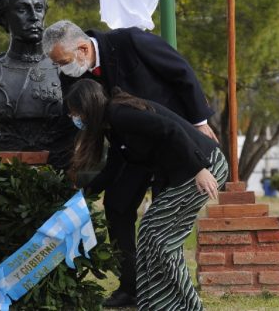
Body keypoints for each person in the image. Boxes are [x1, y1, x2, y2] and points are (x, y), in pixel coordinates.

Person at [42, 20, 217, 307]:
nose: (62, 70)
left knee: (160, 225)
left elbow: (180, 71)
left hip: (171, 141)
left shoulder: (131, 41)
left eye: (63, 62)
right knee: (117, 204)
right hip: (129, 149)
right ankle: (131, 286)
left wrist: (199, 123)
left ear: (83, 48)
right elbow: (73, 115)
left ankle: (167, 293)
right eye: (57, 65)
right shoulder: (72, 74)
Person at [65, 79, 227, 311]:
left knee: (159, 238)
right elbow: (112, 169)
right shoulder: (113, 126)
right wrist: (81, 195)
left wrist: (199, 169)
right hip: (187, 171)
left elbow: (170, 129)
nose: (75, 118)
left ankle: (187, 305)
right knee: (151, 233)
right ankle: (156, 303)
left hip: (203, 167)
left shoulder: (120, 114)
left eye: (75, 112)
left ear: (87, 106)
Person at [0, 0, 75, 169]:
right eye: (22, 9)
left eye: (38, 8)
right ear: (3, 17)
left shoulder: (69, 68)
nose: (34, 17)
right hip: (7, 179)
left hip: (60, 176)